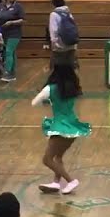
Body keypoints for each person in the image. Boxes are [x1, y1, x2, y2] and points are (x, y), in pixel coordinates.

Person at [33, 63, 92, 194]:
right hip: (73, 126)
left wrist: (45, 98)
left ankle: (71, 181)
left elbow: (34, 102)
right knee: (58, 157)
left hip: (60, 127)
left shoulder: (50, 88)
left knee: (47, 159)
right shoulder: (72, 87)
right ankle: (55, 183)